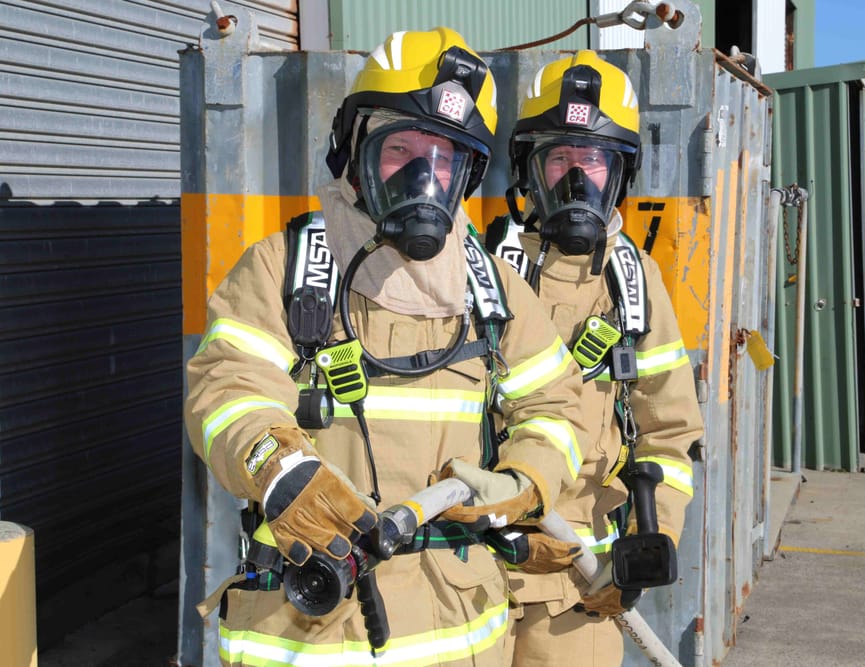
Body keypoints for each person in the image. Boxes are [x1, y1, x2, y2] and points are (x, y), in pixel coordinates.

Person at [184, 27, 589, 667]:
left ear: (465, 175)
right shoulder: (282, 270)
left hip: (458, 633)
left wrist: (524, 478)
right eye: (401, 147)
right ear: (355, 151)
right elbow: (229, 390)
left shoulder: (494, 289)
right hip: (307, 632)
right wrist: (276, 464)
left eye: (444, 156)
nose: (422, 175)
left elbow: (559, 410)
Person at [484, 50, 705, 666]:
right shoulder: (479, 271)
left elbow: (671, 433)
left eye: (594, 160)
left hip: (580, 585)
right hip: (472, 572)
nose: (576, 182)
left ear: (620, 176)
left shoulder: (637, 287)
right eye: (559, 159)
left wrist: (649, 531)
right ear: (527, 169)